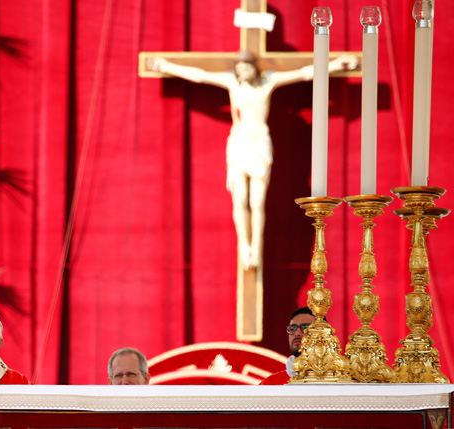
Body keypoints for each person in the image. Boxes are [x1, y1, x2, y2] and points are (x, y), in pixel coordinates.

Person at [148, 52, 357, 270]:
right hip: (239, 145)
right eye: (240, 68)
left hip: (259, 146)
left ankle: (256, 249)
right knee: (239, 199)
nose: (243, 72)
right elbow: (199, 75)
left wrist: (334, 65)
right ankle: (244, 247)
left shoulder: (268, 82)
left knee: (257, 202)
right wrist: (167, 66)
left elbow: (304, 74)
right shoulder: (232, 83)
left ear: (255, 68)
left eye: (247, 68)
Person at [260, 306, 316, 385]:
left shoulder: (336, 382)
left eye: (305, 328)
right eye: (293, 328)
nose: (297, 333)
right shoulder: (270, 385)